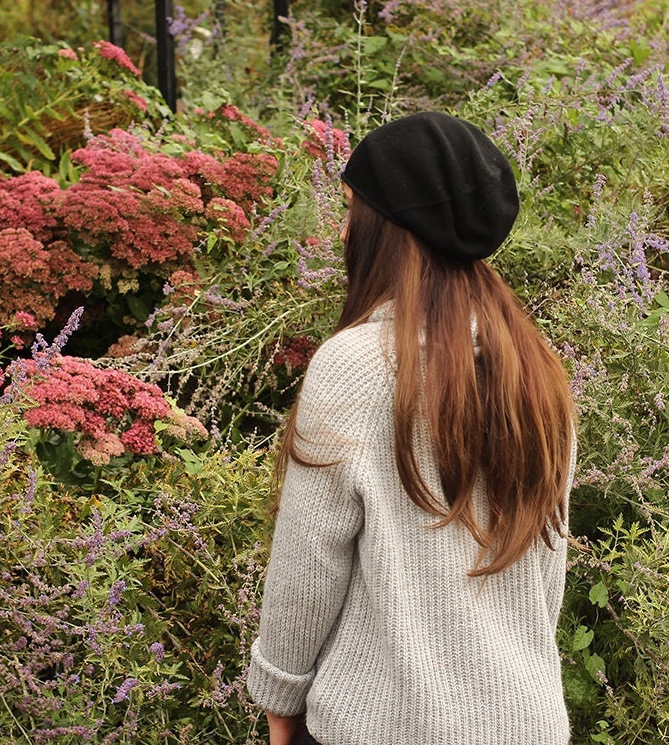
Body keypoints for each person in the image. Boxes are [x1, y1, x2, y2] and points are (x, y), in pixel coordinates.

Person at [247, 112, 577, 745]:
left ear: (389, 228)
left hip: (382, 725)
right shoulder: (535, 368)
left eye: (350, 210)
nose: (342, 231)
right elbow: (545, 571)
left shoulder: (356, 366)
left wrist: (280, 698)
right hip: (525, 723)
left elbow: (307, 568)